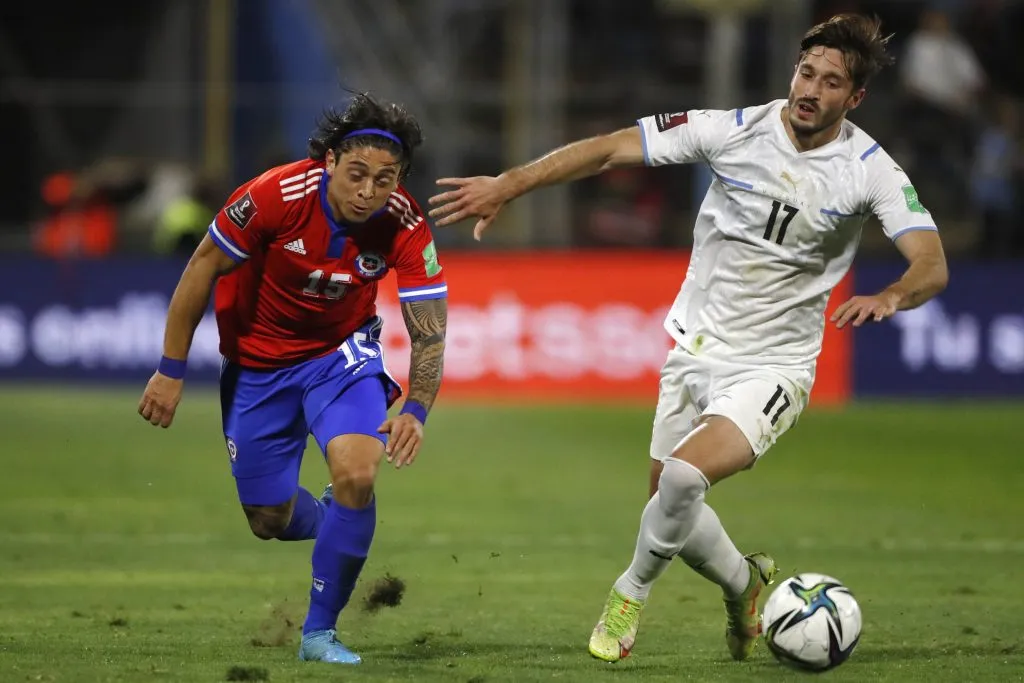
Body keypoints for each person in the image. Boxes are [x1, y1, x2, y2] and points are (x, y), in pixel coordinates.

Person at [428, 14, 948, 663]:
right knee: (672, 503)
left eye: (832, 81)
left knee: (679, 479)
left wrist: (893, 295)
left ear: (855, 97)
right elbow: (611, 147)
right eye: (806, 71)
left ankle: (628, 593)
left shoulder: (869, 169)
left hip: (775, 365)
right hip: (695, 349)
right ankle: (746, 583)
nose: (811, 88)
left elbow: (931, 260)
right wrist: (510, 183)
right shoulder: (732, 131)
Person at [137, 92, 448, 665]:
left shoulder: (403, 222)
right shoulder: (275, 196)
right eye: (357, 174)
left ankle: (319, 633)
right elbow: (203, 263)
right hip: (258, 367)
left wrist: (417, 407)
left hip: (341, 356)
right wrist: (170, 369)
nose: (368, 191)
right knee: (268, 520)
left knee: (358, 472)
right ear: (329, 161)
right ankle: (334, 520)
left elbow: (429, 331)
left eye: (385, 179)